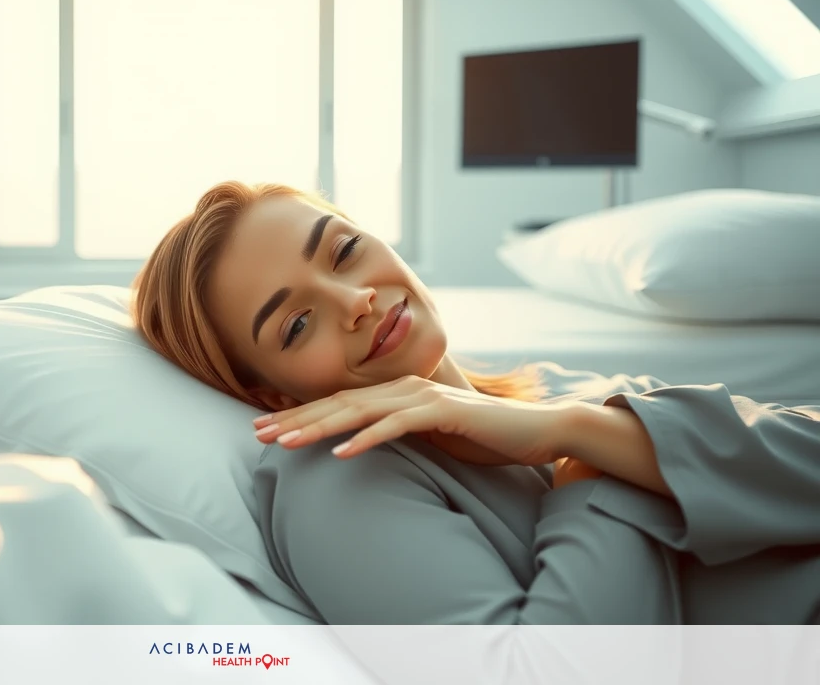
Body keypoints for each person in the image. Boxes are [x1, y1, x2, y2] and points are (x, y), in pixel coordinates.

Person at [131, 180, 820, 624]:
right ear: (272, 392)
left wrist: (572, 427)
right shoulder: (344, 481)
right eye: (297, 324)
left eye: (343, 251)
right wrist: (591, 464)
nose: (356, 300)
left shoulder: (555, 390)